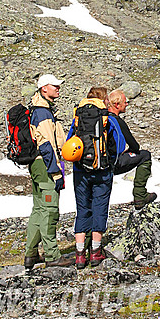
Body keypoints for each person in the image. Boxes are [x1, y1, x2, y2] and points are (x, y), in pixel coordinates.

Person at [67, 87, 126, 269]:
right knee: (100, 207)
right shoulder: (107, 118)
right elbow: (120, 145)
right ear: (104, 100)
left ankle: (79, 255)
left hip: (80, 171)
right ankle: (95, 251)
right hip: (102, 170)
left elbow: (69, 143)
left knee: (82, 208)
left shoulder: (78, 118)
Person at [24, 74, 72, 269]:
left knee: (38, 210)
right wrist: (56, 172)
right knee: (50, 211)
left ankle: (31, 254)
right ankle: (52, 255)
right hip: (45, 166)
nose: (58, 89)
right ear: (44, 88)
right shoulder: (43, 113)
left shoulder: (37, 109)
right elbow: (47, 145)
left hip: (36, 166)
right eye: (55, 86)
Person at [108, 89, 157, 210]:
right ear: (117, 105)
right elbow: (135, 146)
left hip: (97, 164)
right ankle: (140, 195)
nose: (127, 104)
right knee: (145, 155)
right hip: (114, 163)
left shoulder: (101, 119)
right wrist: (128, 152)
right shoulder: (117, 121)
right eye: (125, 102)